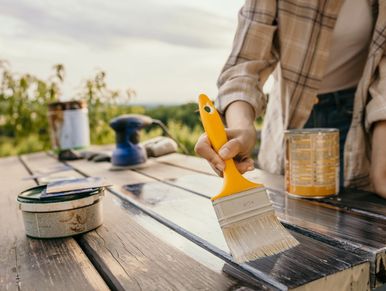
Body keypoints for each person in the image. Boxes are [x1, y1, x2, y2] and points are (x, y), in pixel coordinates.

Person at [195, 0, 386, 198]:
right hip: (290, 118)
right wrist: (242, 128)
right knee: (289, 212)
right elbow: (245, 65)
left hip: (363, 119)